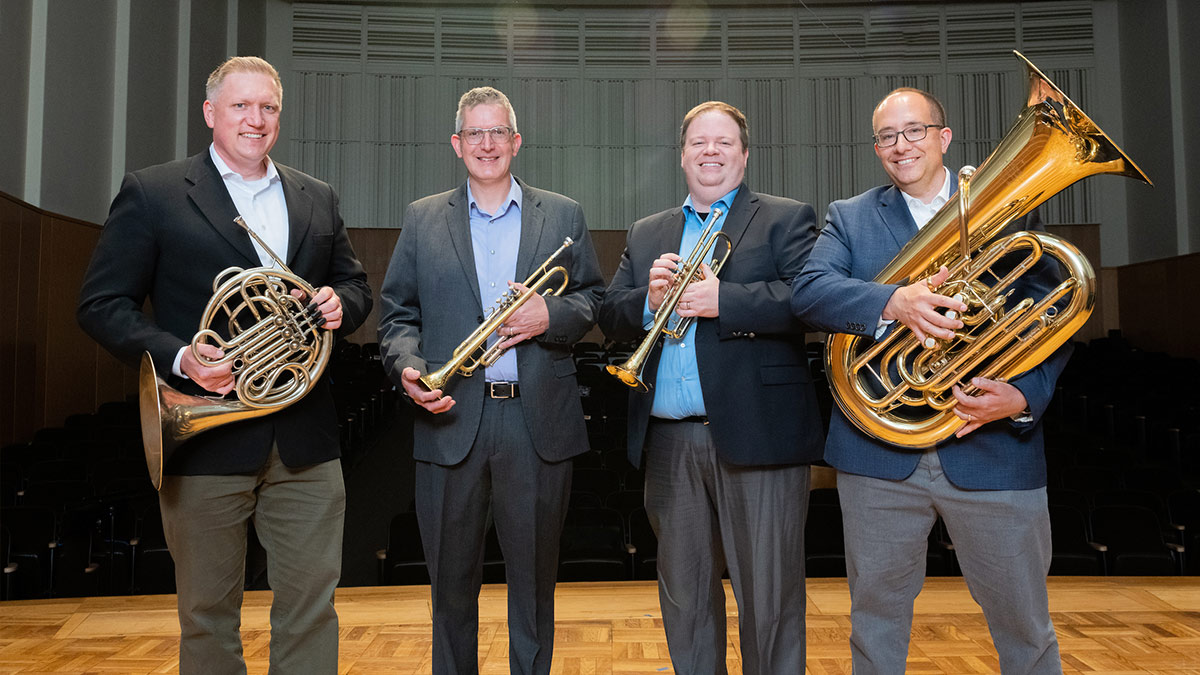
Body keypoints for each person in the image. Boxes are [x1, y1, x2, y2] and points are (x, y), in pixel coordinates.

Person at [77, 56, 371, 674]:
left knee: (312, 608)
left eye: (267, 107)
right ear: (211, 113)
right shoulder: (153, 193)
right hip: (205, 440)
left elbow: (354, 284)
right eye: (240, 106)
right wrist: (181, 357)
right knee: (207, 616)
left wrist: (338, 304)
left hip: (304, 438)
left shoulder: (315, 196)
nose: (255, 119)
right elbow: (102, 304)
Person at [790, 87, 1067, 673]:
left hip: (992, 449)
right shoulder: (852, 216)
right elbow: (809, 293)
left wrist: (1022, 396)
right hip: (880, 458)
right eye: (887, 136)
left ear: (943, 138)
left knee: (1025, 626)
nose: (901, 145)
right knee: (875, 624)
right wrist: (895, 301)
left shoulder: (1008, 210)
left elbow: (1057, 316)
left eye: (915, 130)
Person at [377, 86, 604, 675]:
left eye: (497, 132)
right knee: (450, 587)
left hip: (535, 422)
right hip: (450, 417)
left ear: (516, 141)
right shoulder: (423, 218)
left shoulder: (563, 213)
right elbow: (398, 313)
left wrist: (549, 316)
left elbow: (593, 300)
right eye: (474, 133)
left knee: (533, 585)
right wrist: (407, 365)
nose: (486, 144)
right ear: (457, 144)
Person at [597, 101, 824, 674]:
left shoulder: (785, 218)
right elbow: (612, 312)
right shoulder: (648, 231)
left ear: (744, 155)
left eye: (724, 142)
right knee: (686, 599)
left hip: (760, 438)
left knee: (768, 601)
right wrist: (648, 301)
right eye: (699, 143)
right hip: (670, 444)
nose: (711, 152)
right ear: (682, 156)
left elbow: (811, 299)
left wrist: (725, 301)